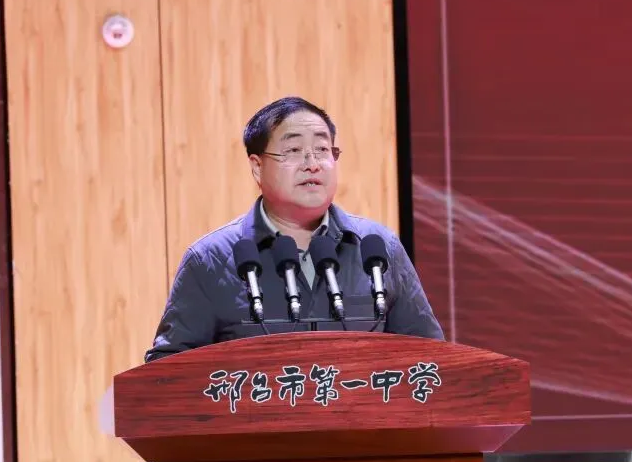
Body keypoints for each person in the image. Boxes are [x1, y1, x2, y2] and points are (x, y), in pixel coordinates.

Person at [145, 96, 444, 362]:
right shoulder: (211, 259)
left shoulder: (377, 249)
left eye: (322, 149)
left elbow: (431, 360)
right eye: (293, 150)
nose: (312, 164)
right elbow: (167, 371)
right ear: (257, 167)